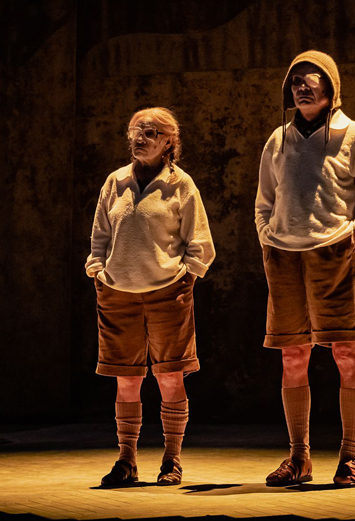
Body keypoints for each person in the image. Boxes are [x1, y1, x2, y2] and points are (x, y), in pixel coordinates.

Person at [255, 50, 355, 487]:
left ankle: (351, 456)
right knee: (292, 354)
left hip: (334, 255)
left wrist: (354, 234)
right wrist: (268, 235)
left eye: (309, 79)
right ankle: (299, 457)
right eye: (294, 81)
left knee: (346, 351)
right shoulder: (279, 140)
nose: (300, 86)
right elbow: (264, 201)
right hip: (285, 258)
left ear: (331, 87)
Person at [85, 107, 215, 487]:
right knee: (126, 379)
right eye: (134, 132)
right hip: (117, 294)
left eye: (150, 132)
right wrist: (98, 270)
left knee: (170, 375)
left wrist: (184, 279)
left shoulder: (181, 184)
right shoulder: (115, 181)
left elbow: (200, 242)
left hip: (167, 294)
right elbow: (100, 234)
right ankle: (126, 459)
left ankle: (172, 459)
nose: (139, 138)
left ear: (169, 141)